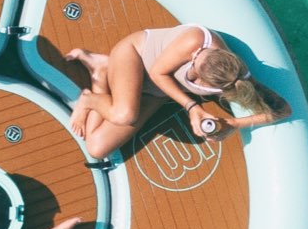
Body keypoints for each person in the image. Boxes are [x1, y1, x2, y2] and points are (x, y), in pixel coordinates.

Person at [66, 23, 291, 159]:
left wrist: (234, 124)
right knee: (125, 114)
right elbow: (157, 73)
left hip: (156, 93)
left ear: (210, 83)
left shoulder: (236, 76)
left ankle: (100, 76)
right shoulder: (196, 40)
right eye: (196, 56)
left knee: (96, 147)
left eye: (194, 65)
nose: (194, 55)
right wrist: (192, 107)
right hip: (135, 58)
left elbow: (283, 110)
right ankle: (88, 100)